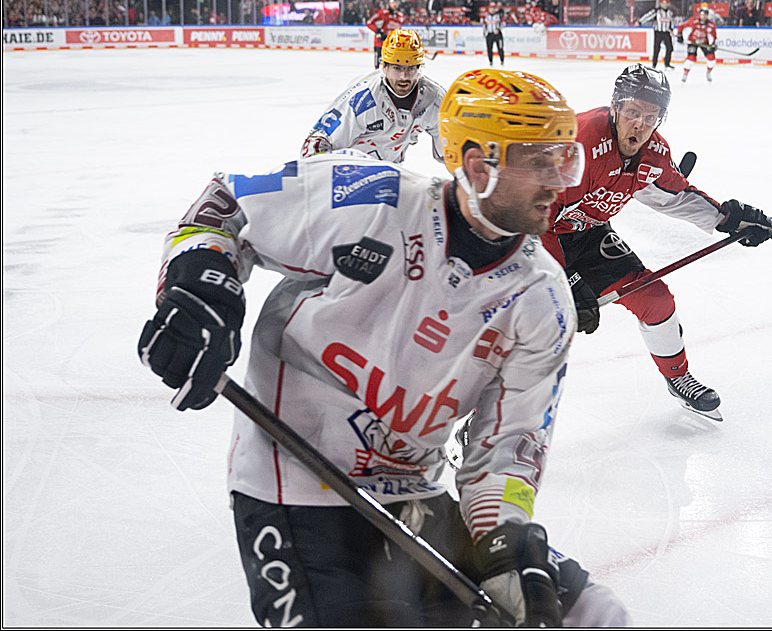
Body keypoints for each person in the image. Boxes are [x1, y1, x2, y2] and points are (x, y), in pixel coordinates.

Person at [137, 67, 632, 628]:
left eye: (562, 160)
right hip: (293, 485)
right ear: (478, 166)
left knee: (593, 613)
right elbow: (230, 204)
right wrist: (200, 287)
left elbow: (507, 449)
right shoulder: (374, 200)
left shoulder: (543, 297)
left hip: (409, 492)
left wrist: (503, 547)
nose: (558, 181)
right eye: (537, 162)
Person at [539, 64, 772, 421]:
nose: (640, 125)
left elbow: (674, 195)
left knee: (655, 299)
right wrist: (562, 283)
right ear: (616, 107)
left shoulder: (653, 153)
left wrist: (727, 218)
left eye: (651, 117)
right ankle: (482, 414)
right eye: (633, 112)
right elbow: (534, 212)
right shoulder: (579, 142)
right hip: (532, 238)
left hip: (587, 233)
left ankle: (678, 377)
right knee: (533, 327)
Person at [300, 30, 445, 164]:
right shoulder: (362, 99)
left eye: (411, 68)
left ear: (419, 68)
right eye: (397, 68)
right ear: (384, 67)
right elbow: (315, 144)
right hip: (348, 173)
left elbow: (452, 153)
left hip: (389, 171)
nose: (403, 77)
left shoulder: (434, 99)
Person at [677, 4, 717, 83]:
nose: (704, 16)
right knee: (691, 59)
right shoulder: (693, 21)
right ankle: (685, 73)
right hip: (693, 42)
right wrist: (679, 35)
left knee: (711, 58)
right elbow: (681, 26)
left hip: (704, 43)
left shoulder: (711, 24)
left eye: (705, 14)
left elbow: (713, 35)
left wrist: (713, 44)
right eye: (702, 14)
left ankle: (708, 72)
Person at [366, 0, 404, 69]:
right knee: (378, 66)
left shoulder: (400, 15)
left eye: (396, 2)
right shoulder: (383, 13)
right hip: (380, 43)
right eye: (393, 2)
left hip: (393, 45)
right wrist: (378, 31)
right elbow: (369, 23)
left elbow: (399, 29)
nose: (394, 4)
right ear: (389, 3)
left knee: (392, 66)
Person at [638, 0, 676, 70]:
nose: (665, 5)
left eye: (666, 3)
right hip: (658, 32)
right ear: (661, 3)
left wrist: (671, 29)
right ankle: (654, 64)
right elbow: (648, 16)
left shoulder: (669, 12)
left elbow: (670, 21)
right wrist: (640, 21)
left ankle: (667, 64)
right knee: (656, 48)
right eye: (663, 3)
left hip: (666, 32)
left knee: (670, 48)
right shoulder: (657, 11)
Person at [481, 1, 505, 66]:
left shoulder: (499, 16)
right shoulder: (486, 16)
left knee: (500, 48)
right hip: (489, 34)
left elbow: (503, 24)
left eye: (493, 8)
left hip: (497, 34)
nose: (492, 9)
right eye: (491, 8)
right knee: (489, 48)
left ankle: (502, 61)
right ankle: (490, 61)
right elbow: (484, 25)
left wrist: (498, 29)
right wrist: (484, 33)